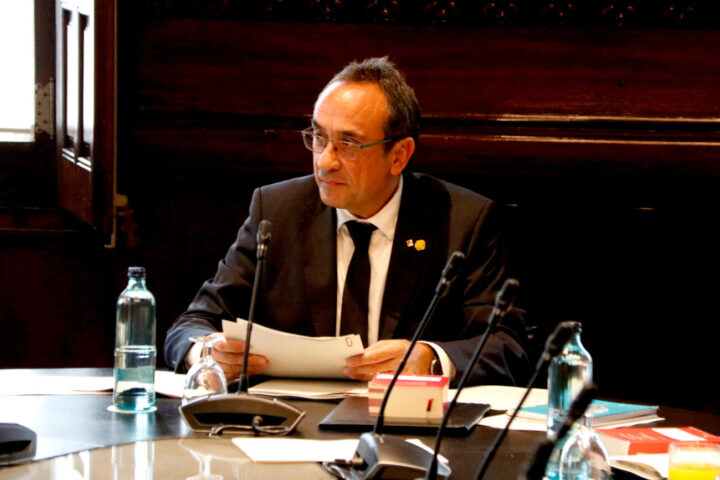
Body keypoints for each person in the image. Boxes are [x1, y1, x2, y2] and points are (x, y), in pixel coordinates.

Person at [165, 56, 531, 386]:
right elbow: (190, 326)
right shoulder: (277, 211)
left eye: (349, 145)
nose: (325, 161)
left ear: (399, 156)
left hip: (407, 430)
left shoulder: (464, 220)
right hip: (290, 428)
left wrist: (431, 359)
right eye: (319, 138)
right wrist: (207, 354)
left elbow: (507, 346)